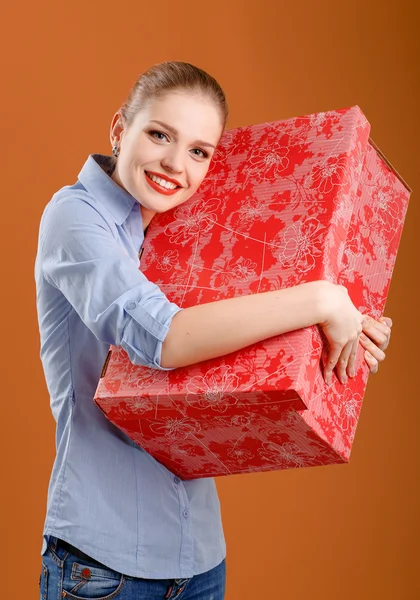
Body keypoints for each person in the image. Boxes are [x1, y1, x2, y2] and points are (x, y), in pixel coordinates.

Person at [35, 61, 393, 600]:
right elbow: (167, 339)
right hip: (105, 565)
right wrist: (323, 298)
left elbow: (243, 340)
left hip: (199, 555)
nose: (176, 165)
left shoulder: (185, 222)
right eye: (160, 134)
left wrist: (345, 328)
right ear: (119, 129)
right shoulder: (74, 216)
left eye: (200, 151)